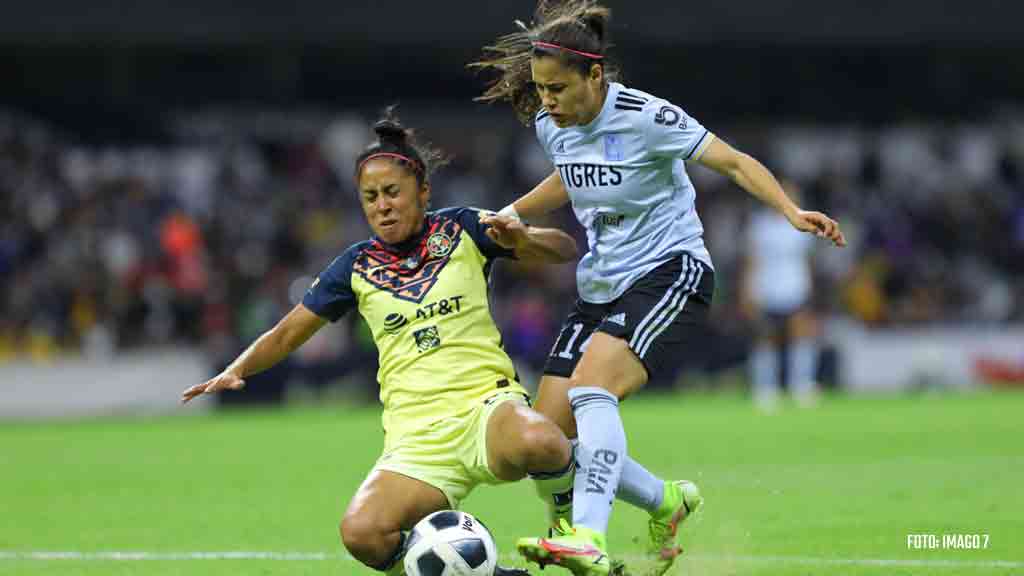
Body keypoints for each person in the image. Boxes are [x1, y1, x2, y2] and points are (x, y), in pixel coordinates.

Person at [470, 2, 847, 575]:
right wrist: (510, 213)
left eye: (557, 88)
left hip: (670, 270)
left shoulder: (647, 117)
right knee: (543, 439)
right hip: (600, 286)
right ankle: (666, 502)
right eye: (540, 88)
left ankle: (585, 536)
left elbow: (735, 162)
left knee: (592, 388)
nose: (545, 101)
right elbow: (571, 176)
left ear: (594, 76)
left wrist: (790, 211)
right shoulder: (554, 127)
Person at [181, 110, 581, 576]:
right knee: (362, 533)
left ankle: (569, 538)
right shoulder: (354, 266)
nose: (382, 205)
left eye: (392, 192)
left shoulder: (464, 229)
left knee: (543, 441)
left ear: (422, 192)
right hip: (416, 440)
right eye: (370, 197)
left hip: (486, 409)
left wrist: (526, 238)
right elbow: (289, 331)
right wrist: (237, 369)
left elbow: (565, 250)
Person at [742, 183, 820, 410]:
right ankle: (765, 388)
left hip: (796, 287)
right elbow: (751, 262)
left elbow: (807, 260)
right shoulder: (760, 226)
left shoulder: (802, 223)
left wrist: (811, 287)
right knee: (766, 339)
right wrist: (748, 290)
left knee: (801, 336)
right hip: (766, 288)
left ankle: (802, 386)